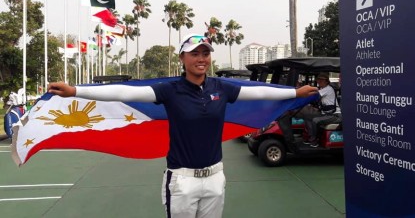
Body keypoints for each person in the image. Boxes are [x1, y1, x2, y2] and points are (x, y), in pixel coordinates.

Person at [48, 34, 318, 218]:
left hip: (215, 178)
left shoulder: (220, 88)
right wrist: (75, 91)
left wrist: (294, 93)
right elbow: (124, 92)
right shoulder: (170, 90)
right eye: (194, 54)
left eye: (205, 53)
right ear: (182, 58)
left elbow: (258, 92)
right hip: (181, 181)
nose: (201, 58)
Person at [297, 72, 340, 147]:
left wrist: (301, 97)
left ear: (326, 81)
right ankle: (310, 137)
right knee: (307, 117)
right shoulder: (323, 89)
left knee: (315, 120)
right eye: (318, 80)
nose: (319, 81)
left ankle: (314, 141)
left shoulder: (328, 89)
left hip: (334, 115)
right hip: (326, 113)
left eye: (321, 80)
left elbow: (314, 96)